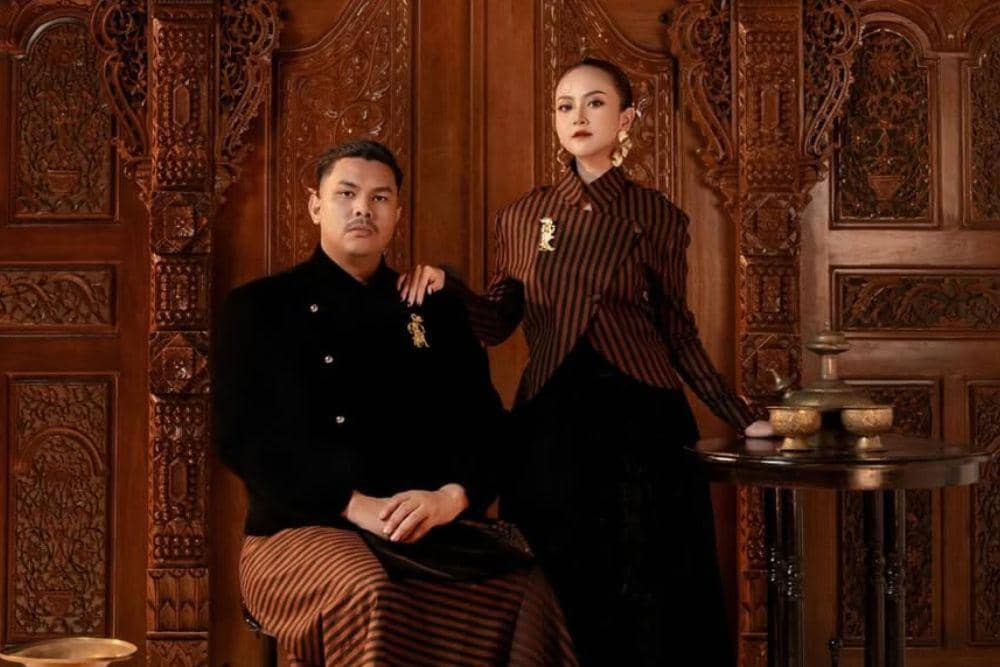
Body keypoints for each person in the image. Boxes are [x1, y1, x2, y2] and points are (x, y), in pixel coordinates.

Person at [398, 58, 774, 665]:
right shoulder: (523, 216)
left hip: (642, 420)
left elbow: (677, 331)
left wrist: (740, 414)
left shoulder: (655, 215)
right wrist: (449, 287)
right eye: (565, 105)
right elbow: (496, 323)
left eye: (595, 102)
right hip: (550, 420)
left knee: (653, 583)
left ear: (625, 119)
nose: (578, 116)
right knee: (557, 578)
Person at [214, 139, 577, 666]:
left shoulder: (433, 310)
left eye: (380, 197)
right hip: (300, 529)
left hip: (424, 528)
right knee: (371, 592)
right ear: (315, 205)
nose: (363, 208)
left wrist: (451, 497)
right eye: (346, 194)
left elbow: (487, 429)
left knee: (530, 592)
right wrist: (352, 503)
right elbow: (242, 439)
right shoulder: (260, 307)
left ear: (397, 213)